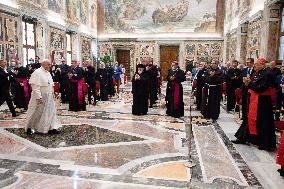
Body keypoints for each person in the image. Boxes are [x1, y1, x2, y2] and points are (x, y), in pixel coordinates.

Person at [244, 57, 276, 151]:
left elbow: (261, 88)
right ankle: (258, 140)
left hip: (264, 101)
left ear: (262, 64)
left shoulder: (268, 74)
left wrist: (249, 84)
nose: (255, 67)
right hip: (258, 100)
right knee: (259, 121)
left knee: (264, 122)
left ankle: (265, 143)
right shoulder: (261, 72)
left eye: (256, 65)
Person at [26, 59, 61, 135]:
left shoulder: (47, 72)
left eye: (50, 64)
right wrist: (39, 97)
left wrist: (53, 93)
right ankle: (30, 127)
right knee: (36, 112)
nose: (50, 66)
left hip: (49, 96)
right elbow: (35, 86)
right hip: (41, 96)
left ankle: (51, 128)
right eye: (48, 64)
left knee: (50, 112)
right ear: (43, 64)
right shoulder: (37, 72)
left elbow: (50, 84)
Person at [231, 58, 255, 144]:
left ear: (253, 63)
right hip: (245, 95)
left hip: (252, 96)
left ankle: (247, 136)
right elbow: (241, 81)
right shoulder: (244, 70)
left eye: (249, 62)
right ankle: (244, 135)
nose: (247, 64)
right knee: (246, 115)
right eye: (247, 62)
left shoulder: (255, 71)